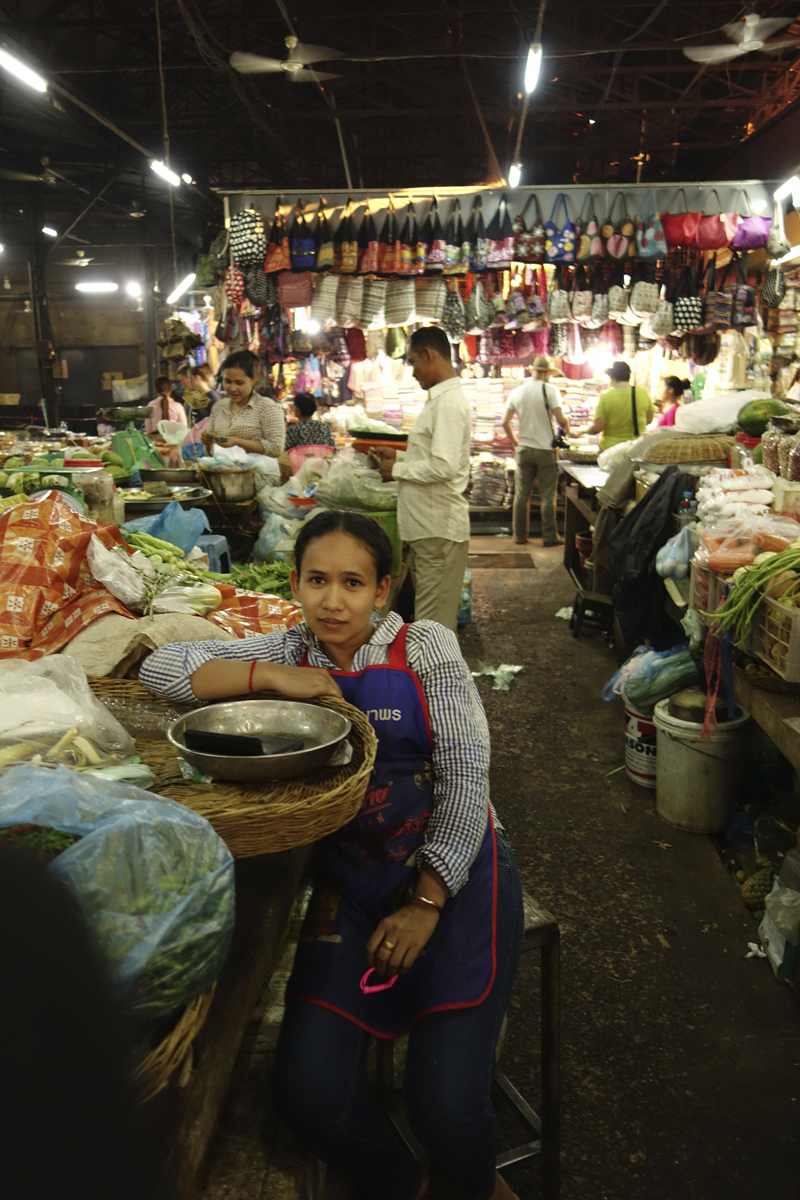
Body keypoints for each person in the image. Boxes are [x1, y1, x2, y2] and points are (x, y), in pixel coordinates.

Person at [139, 510, 524, 1200]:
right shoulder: (290, 649)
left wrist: (427, 904)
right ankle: (411, 1188)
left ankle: (478, 1186)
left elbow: (468, 779)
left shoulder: (424, 645)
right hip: (352, 882)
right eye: (317, 580)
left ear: (383, 590)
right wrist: (271, 679)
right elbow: (159, 667)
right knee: (309, 1099)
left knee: (448, 1109)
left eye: (353, 582)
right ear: (296, 583)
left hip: (455, 873)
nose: (332, 600)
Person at [377, 326, 471, 632]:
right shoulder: (439, 401)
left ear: (429, 356)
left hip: (438, 531)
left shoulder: (448, 403)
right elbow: (434, 458)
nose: (413, 372)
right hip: (429, 531)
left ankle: (438, 679)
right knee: (430, 623)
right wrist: (399, 457)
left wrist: (398, 470)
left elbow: (443, 466)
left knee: (434, 628)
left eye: (413, 362)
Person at [502, 354, 569, 547]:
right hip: (545, 450)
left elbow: (505, 422)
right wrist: (566, 424)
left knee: (522, 494)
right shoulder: (550, 390)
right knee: (548, 495)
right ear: (547, 372)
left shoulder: (518, 391)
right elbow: (560, 418)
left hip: (524, 449)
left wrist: (516, 442)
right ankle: (549, 537)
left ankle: (519, 536)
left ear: (533, 371)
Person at [201, 349, 285, 457]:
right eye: (227, 381)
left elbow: (276, 448)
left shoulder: (267, 407)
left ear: (253, 379)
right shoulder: (218, 408)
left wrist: (237, 442)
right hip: (224, 472)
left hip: (258, 473)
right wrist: (208, 443)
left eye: (239, 383)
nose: (232, 388)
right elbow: (210, 454)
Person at [581, 361, 654, 452]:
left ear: (612, 377)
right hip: (636, 447)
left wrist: (582, 431)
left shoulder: (606, 396)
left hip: (611, 449)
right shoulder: (642, 392)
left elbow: (597, 427)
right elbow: (649, 419)